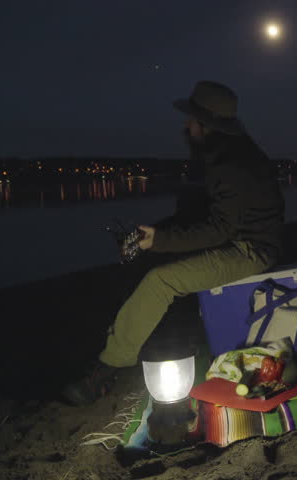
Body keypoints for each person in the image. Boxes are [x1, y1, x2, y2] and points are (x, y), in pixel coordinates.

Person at [62, 81, 285, 406]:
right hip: (239, 239)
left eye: (191, 119)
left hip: (251, 250)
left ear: (206, 125)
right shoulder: (224, 155)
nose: (185, 125)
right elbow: (200, 215)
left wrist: (160, 239)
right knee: (149, 263)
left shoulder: (230, 164)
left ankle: (106, 369)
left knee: (161, 281)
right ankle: (129, 340)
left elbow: (219, 229)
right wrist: (155, 235)